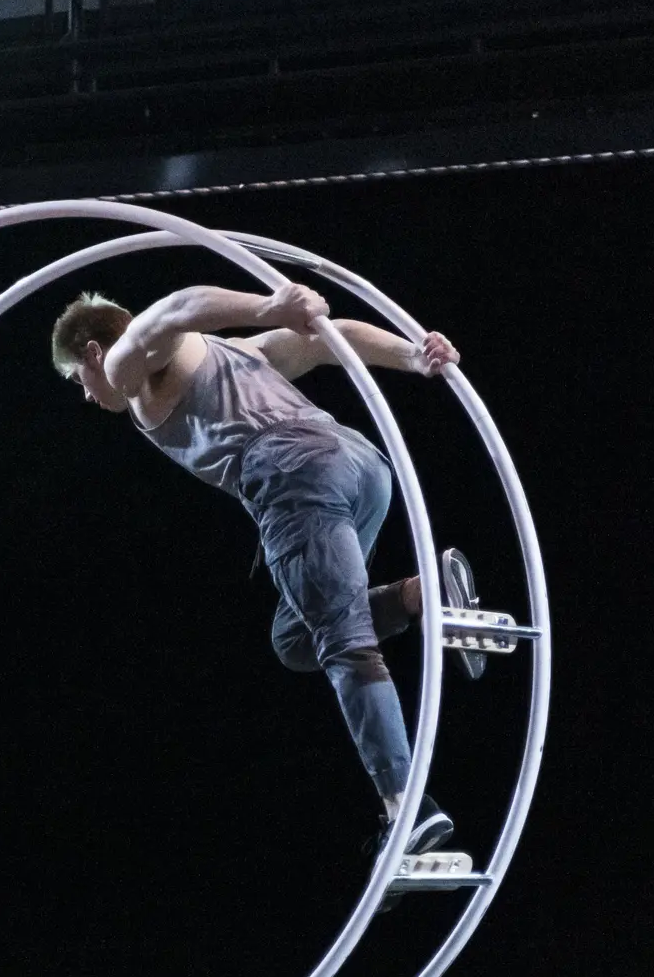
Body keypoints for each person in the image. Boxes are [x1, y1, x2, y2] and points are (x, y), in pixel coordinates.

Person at [50, 279, 481, 857]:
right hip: (361, 468)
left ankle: (406, 809)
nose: (86, 394)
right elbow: (329, 340)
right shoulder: (236, 351)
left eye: (78, 379)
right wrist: (413, 356)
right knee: (294, 640)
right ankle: (420, 596)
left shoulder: (127, 369)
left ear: (93, 352)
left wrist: (269, 305)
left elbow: (175, 307)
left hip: (294, 476)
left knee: (344, 644)